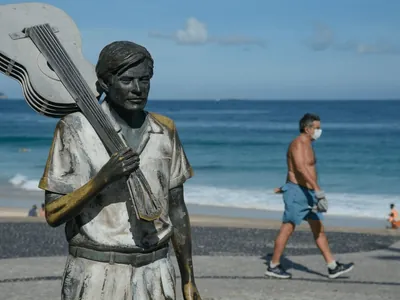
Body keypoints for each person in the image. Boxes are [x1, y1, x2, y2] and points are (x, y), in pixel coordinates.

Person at [38, 41, 201, 300]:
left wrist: (188, 279)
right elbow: (53, 213)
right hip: (96, 271)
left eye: (144, 80)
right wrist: (102, 179)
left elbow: (177, 209)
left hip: (156, 271)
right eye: (127, 80)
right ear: (104, 83)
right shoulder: (75, 129)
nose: (138, 89)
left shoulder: (165, 130)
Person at [265, 113, 354, 279]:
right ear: (307, 129)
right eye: (317, 128)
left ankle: (332, 266)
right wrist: (318, 191)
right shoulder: (298, 144)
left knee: (318, 229)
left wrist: (311, 191)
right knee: (287, 228)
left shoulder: (308, 144)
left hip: (308, 193)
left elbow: (301, 169)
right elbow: (299, 169)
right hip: (298, 193)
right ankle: (273, 265)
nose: (319, 131)